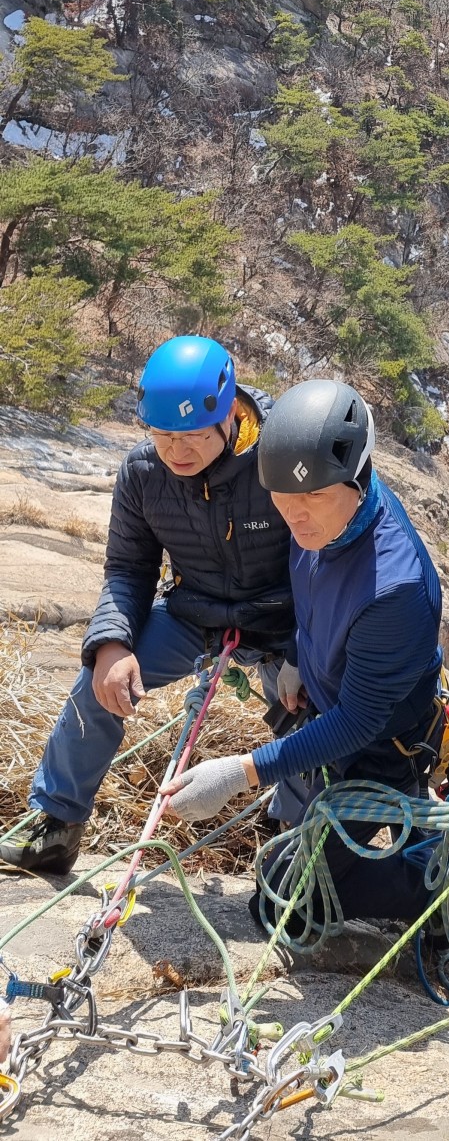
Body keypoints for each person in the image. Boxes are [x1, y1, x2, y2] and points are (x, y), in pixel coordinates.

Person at [0, 336, 294, 876]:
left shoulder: (281, 457)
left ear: (229, 414)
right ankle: (56, 825)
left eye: (192, 437)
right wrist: (111, 644)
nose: (176, 452)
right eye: (162, 436)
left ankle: (297, 849)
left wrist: (303, 652)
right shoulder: (142, 474)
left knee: (305, 714)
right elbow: (129, 569)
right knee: (97, 685)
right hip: (196, 613)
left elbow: (320, 562)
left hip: (283, 619)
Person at [160, 378, 448, 929]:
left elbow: (359, 721)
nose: (294, 516)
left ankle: (432, 892)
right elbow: (309, 591)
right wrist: (297, 655)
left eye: (312, 497)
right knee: (287, 877)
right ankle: (398, 850)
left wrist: (241, 772)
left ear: (358, 479)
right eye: (283, 498)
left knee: (282, 908)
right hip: (334, 706)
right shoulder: (319, 510)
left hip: (381, 746)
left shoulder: (395, 586)